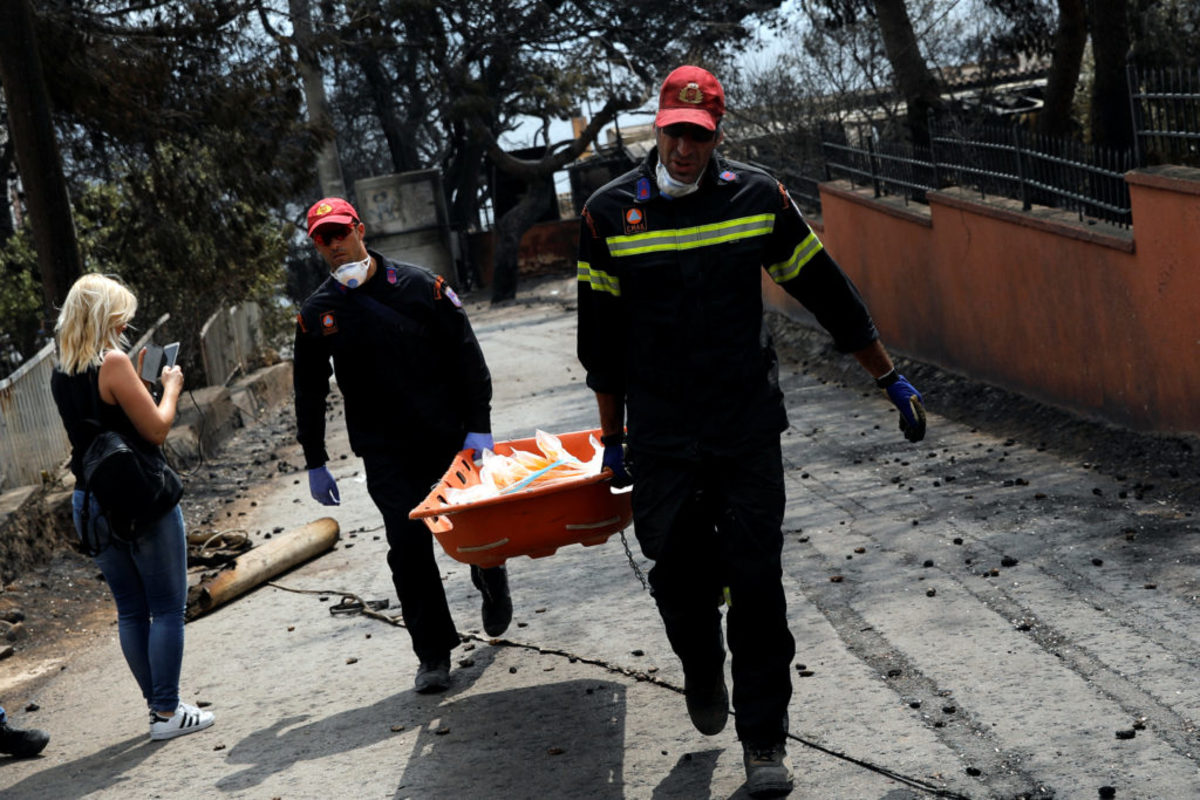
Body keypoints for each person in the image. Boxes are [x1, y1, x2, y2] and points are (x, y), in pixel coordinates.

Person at [576, 66, 926, 798]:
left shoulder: (757, 198)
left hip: (743, 426)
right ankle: (702, 665)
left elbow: (826, 290)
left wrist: (885, 376)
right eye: (675, 132)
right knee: (678, 576)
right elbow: (601, 343)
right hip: (663, 437)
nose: (684, 149)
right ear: (658, 128)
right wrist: (612, 440)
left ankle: (764, 741)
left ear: (717, 136)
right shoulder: (607, 215)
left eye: (699, 137)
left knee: (758, 583)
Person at [294, 197, 513, 693]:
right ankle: (433, 654)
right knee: (407, 548)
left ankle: (491, 574)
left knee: (471, 527)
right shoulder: (316, 314)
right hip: (385, 452)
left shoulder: (422, 287)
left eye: (340, 233)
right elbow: (307, 391)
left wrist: (479, 425)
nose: (333, 246)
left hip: (449, 437)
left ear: (360, 230)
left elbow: (467, 357)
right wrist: (315, 460)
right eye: (322, 239)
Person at [49, 273, 214, 742]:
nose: (124, 323)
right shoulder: (114, 363)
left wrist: (140, 387)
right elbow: (157, 430)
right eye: (120, 313)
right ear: (104, 315)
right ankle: (166, 713)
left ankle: (158, 706)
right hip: (139, 496)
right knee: (166, 608)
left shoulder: (61, 369)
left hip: (90, 499)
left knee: (129, 610)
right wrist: (170, 386)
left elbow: (101, 421)